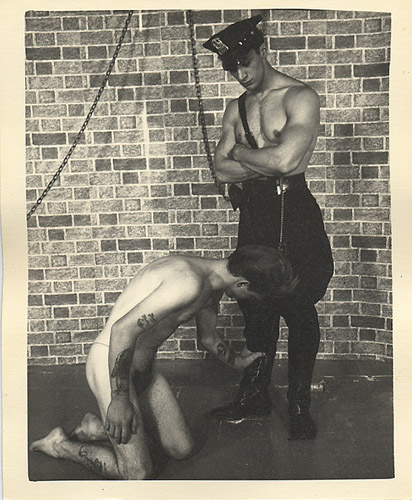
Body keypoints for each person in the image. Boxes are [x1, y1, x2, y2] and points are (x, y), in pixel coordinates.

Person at [29, 245, 297, 479]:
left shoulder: (212, 285)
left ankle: (94, 428)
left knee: (181, 449)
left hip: (144, 367)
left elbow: (208, 338)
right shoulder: (188, 282)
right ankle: (60, 445)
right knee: (137, 474)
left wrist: (239, 362)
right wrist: (119, 400)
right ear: (243, 283)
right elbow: (122, 331)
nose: (251, 302)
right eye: (254, 297)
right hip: (110, 365)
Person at [203, 14, 334, 440]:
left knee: (298, 307)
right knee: (255, 307)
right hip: (255, 213)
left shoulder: (300, 96)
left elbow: (286, 161)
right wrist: (262, 161)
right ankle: (255, 396)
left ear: (263, 51)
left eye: (245, 62)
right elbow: (220, 171)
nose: (240, 74)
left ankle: (298, 404)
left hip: (294, 211)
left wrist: (241, 152)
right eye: (232, 68)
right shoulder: (235, 108)